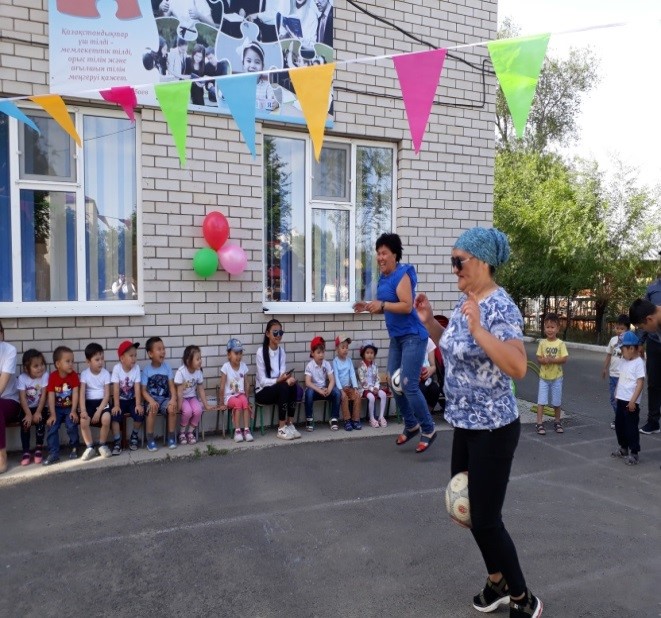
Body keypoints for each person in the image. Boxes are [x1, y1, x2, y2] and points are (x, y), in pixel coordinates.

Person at [414, 226, 543, 618]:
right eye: (452, 261)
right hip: (465, 425)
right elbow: (456, 347)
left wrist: (478, 328)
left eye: (459, 261)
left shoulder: (500, 306)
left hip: (493, 429)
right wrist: (429, 323)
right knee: (470, 513)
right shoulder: (465, 301)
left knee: (487, 519)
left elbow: (517, 365)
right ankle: (497, 580)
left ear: (482, 262)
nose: (454, 268)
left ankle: (523, 598)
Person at [353, 232, 436, 454]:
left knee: (408, 384)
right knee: (392, 381)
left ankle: (428, 428)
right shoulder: (384, 278)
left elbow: (407, 306)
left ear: (394, 254)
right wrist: (368, 306)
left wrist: (382, 305)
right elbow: (386, 307)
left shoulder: (402, 274)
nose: (380, 257)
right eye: (378, 253)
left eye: (384, 253)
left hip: (413, 336)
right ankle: (411, 425)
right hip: (397, 338)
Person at [255, 319, 301, 440]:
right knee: (283, 387)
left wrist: (287, 379)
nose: (278, 335)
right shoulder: (261, 352)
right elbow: (263, 381)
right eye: (275, 332)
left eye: (280, 332)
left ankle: (290, 424)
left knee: (293, 385)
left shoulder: (281, 351)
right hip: (262, 391)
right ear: (267, 333)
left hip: (278, 389)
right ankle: (281, 428)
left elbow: (282, 374)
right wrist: (279, 380)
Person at [611, 331, 645, 466]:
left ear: (631, 348)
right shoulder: (624, 361)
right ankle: (623, 447)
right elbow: (621, 378)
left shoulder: (639, 363)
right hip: (621, 399)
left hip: (631, 402)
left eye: (622, 349)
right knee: (619, 425)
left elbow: (640, 383)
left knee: (631, 428)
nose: (621, 352)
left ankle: (634, 452)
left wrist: (633, 400)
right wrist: (616, 392)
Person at [43, 346, 81, 466]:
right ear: (58, 364)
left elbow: (75, 393)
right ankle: (53, 453)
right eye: (67, 361)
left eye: (72, 361)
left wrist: (74, 411)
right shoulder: (53, 377)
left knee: (71, 424)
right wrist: (52, 414)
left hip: (70, 408)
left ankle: (74, 447)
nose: (71, 364)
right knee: (52, 426)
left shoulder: (74, 376)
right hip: (57, 408)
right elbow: (51, 396)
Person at [629, 298, 661, 435]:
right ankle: (653, 422)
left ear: (649, 319)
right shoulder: (657, 319)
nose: (644, 331)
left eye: (642, 328)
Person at [535, 313, 568, 435]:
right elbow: (538, 358)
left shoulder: (560, 344)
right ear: (544, 328)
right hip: (544, 378)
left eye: (552, 327)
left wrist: (552, 360)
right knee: (541, 401)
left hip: (557, 378)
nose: (550, 330)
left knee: (556, 401)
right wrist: (543, 360)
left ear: (557, 329)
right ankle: (539, 422)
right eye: (547, 327)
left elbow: (564, 359)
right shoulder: (542, 343)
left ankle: (557, 421)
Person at [142, 336, 178, 450]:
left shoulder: (167, 367)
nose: (163, 351)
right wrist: (151, 401)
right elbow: (143, 390)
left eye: (163, 348)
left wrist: (173, 399)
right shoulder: (147, 370)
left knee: (172, 408)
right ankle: (150, 439)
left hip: (165, 400)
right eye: (159, 349)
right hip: (151, 400)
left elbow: (171, 386)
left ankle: (171, 437)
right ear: (150, 354)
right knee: (152, 409)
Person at [78, 343, 112, 461]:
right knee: (83, 421)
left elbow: (107, 395)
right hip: (89, 403)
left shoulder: (105, 374)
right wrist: (83, 410)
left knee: (106, 418)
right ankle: (90, 447)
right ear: (88, 362)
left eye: (102, 358)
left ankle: (102, 444)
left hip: (102, 403)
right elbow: (82, 394)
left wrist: (99, 411)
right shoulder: (84, 374)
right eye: (97, 359)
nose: (100, 362)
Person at [16, 349, 49, 466]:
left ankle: (38, 448)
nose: (40, 368)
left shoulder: (45, 376)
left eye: (42, 364)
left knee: (40, 423)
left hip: (40, 407)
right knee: (25, 424)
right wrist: (28, 414)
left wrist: (38, 412)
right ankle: (26, 451)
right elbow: (22, 398)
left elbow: (44, 395)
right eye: (36, 366)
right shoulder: (22, 378)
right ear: (26, 368)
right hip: (27, 408)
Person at [111, 340, 144, 455]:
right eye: (131, 356)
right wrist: (116, 405)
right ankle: (117, 441)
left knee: (140, 413)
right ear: (122, 358)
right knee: (114, 416)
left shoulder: (136, 368)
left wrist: (138, 404)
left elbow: (137, 388)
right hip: (119, 400)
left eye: (135, 355)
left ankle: (134, 436)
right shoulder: (117, 369)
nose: (134, 358)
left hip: (132, 400)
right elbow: (115, 388)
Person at [174, 345, 212, 444]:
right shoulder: (181, 372)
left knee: (198, 410)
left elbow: (201, 389)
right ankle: (182, 433)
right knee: (187, 411)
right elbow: (179, 392)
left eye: (200, 358)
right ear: (188, 361)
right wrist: (179, 406)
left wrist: (206, 404)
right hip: (182, 398)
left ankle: (190, 432)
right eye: (197, 359)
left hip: (192, 397)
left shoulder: (198, 371)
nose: (200, 361)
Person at [220, 338, 253, 443]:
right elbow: (222, 386)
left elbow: (247, 384)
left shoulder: (243, 366)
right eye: (236, 353)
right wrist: (221, 403)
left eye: (240, 353)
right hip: (229, 397)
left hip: (240, 394)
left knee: (244, 402)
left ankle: (246, 430)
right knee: (238, 403)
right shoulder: (226, 367)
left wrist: (247, 398)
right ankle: (237, 431)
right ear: (228, 354)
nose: (239, 356)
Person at [304, 336, 340, 430]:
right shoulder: (310, 366)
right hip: (315, 391)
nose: (321, 355)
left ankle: (334, 418)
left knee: (337, 392)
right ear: (312, 353)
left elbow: (332, 380)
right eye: (318, 352)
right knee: (308, 393)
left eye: (323, 352)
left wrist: (329, 389)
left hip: (324, 391)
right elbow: (308, 382)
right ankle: (309, 419)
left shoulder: (326, 364)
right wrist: (319, 390)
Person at [601, 314, 630, 430]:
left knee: (622, 399)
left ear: (627, 329)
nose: (619, 331)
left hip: (624, 376)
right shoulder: (613, 340)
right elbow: (609, 355)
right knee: (613, 399)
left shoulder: (629, 341)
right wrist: (605, 368)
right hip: (613, 375)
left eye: (622, 329)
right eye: (617, 328)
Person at [0, 320, 20, 473]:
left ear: (1, 334)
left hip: (9, 400)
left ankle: (2, 457)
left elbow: (2, 385)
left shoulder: (9, 351)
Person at [332, 334, 361, 431]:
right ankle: (347, 421)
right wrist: (341, 390)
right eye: (343, 347)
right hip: (340, 389)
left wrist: (355, 388)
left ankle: (355, 420)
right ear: (337, 349)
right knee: (344, 397)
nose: (345, 350)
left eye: (347, 347)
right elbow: (336, 377)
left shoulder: (349, 360)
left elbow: (352, 374)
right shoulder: (335, 361)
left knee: (357, 395)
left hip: (349, 387)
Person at [357, 341, 388, 428]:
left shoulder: (375, 365)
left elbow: (377, 378)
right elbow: (362, 381)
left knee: (383, 394)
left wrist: (376, 387)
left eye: (372, 353)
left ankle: (381, 417)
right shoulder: (361, 366)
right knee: (371, 397)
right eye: (367, 353)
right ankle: (372, 418)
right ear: (363, 354)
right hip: (365, 388)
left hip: (375, 387)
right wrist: (371, 389)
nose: (370, 355)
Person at [242, 42, 279, 111]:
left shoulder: (267, 87)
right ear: (243, 64)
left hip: (261, 117)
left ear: (262, 67)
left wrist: (275, 103)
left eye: (257, 62)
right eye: (249, 61)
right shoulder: (238, 84)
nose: (252, 66)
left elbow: (274, 99)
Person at [420, 337, 441, 414]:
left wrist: (431, 369)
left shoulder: (428, 341)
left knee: (435, 389)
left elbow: (433, 366)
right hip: (412, 377)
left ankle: (427, 414)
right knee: (421, 389)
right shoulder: (406, 340)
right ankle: (417, 415)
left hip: (426, 376)